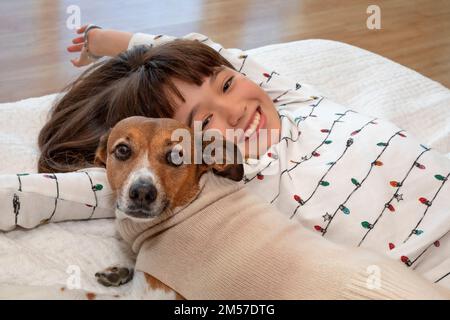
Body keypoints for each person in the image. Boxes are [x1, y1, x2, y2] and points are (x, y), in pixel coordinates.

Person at [31, 25, 450, 290]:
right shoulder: (236, 177)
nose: (235, 110)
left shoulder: (297, 100)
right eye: (206, 118)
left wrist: (106, 41)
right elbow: (111, 182)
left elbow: (205, 49)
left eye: (228, 86)